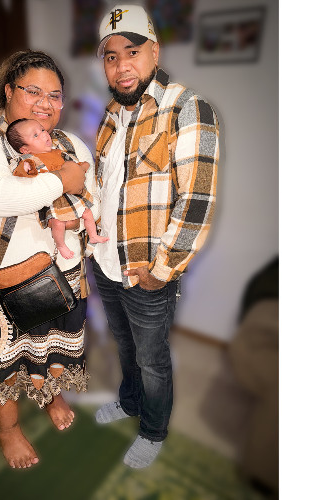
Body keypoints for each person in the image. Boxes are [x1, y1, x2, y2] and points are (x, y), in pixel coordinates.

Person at [0, 50, 98, 469]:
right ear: (9, 91)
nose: (46, 103)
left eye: (55, 95)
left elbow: (94, 198)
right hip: (3, 279)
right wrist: (62, 180)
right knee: (2, 360)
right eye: (34, 91)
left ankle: (50, 396)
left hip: (63, 272)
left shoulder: (69, 142)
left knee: (52, 349)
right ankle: (8, 429)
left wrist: (80, 210)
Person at [91, 5, 220, 468]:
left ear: (155, 52)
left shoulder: (188, 109)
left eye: (132, 51)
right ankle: (130, 402)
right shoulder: (111, 114)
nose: (121, 65)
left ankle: (153, 429)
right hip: (107, 262)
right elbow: (105, 187)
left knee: (151, 359)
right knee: (124, 346)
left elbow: (196, 203)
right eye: (111, 56)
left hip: (148, 271)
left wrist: (162, 270)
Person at [6, 118, 109, 259]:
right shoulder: (28, 159)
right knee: (58, 222)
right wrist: (25, 168)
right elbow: (19, 173)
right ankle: (60, 245)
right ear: (25, 149)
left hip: (70, 195)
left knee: (87, 213)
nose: (44, 134)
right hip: (54, 200)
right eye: (35, 135)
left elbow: (73, 165)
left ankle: (93, 235)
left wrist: (82, 166)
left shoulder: (58, 152)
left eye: (42, 130)